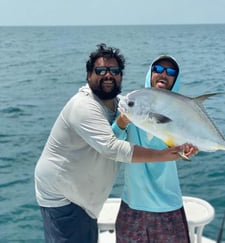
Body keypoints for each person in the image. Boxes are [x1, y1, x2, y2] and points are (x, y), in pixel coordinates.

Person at [34, 44, 196, 243]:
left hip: (88, 201)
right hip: (67, 198)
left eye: (114, 71)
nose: (108, 75)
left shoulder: (120, 103)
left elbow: (190, 140)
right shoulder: (94, 106)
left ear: (121, 75)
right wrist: (166, 153)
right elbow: (112, 146)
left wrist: (190, 148)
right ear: (88, 75)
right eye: (100, 70)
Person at [113, 55, 197, 243]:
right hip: (133, 204)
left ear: (176, 79)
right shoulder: (133, 104)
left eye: (171, 72)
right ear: (150, 74)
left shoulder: (181, 112)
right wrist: (122, 120)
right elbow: (111, 144)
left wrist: (187, 151)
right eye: (158, 69)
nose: (163, 74)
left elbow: (181, 150)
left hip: (168, 206)